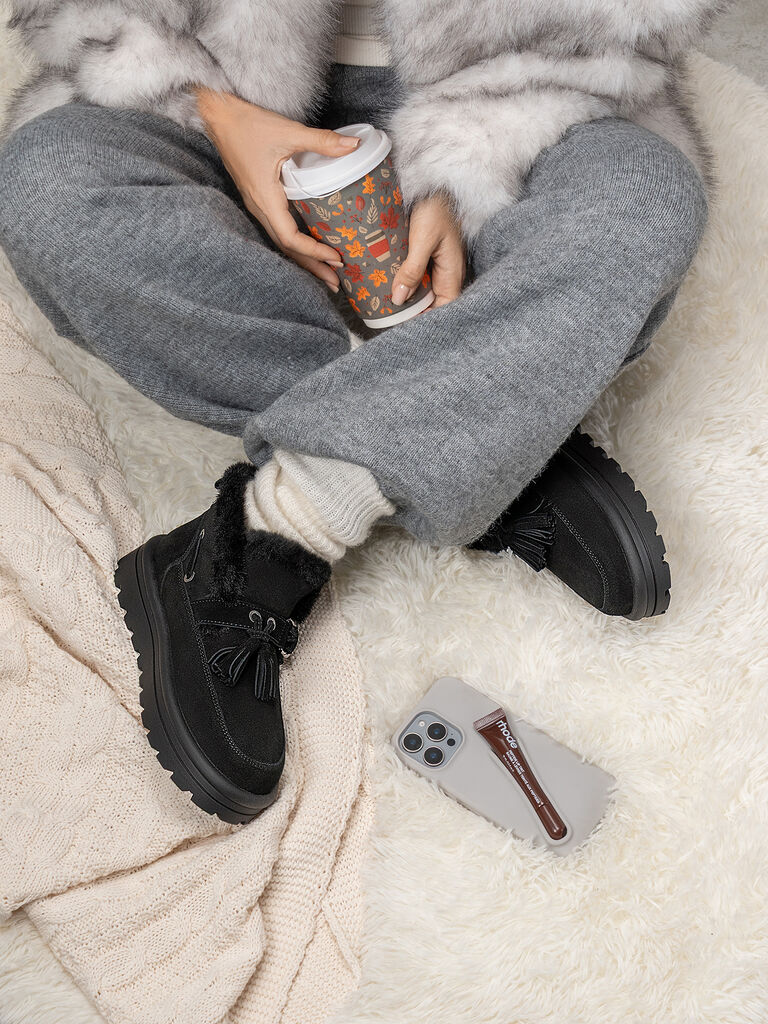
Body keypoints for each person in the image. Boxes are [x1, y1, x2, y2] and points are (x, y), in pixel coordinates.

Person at [0, 0, 714, 822]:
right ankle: (484, 423)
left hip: (517, 95)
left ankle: (278, 528)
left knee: (642, 199)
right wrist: (215, 111)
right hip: (206, 80)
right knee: (50, 185)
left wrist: (459, 171)